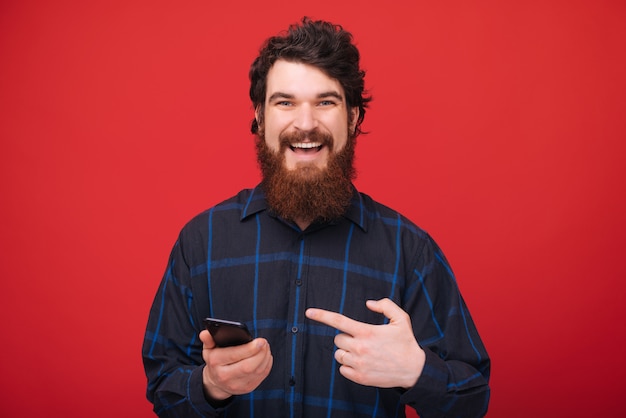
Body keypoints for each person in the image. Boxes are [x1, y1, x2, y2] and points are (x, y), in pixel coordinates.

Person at [142, 17, 490, 417]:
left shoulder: (409, 250)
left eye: (326, 102)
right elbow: (164, 387)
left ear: (354, 117)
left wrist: (416, 372)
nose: (305, 124)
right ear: (259, 116)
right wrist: (212, 385)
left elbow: (472, 397)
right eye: (285, 102)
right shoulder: (202, 242)